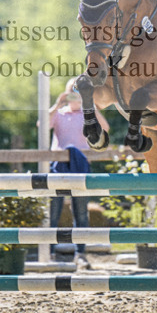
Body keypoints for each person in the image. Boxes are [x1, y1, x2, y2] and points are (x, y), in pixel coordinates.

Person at [48, 77, 108, 269]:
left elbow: (105, 128)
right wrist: (58, 103)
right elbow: (42, 125)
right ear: (66, 95)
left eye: (78, 93)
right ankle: (50, 252)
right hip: (58, 167)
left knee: (81, 212)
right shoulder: (58, 113)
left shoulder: (87, 114)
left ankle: (80, 253)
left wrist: (90, 105)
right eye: (72, 93)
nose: (75, 97)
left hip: (80, 167)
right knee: (54, 211)